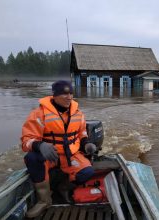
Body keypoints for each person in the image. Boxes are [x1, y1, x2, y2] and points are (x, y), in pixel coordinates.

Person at [21, 80, 96, 218]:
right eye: (64, 94)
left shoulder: (78, 113)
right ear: (54, 95)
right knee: (31, 158)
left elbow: (82, 133)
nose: (69, 97)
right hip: (50, 155)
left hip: (71, 155)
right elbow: (26, 140)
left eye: (71, 93)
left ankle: (64, 187)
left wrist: (87, 143)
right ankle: (44, 200)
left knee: (88, 171)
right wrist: (39, 145)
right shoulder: (39, 114)